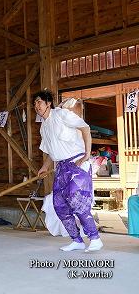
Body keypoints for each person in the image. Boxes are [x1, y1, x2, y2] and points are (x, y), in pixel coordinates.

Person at [34, 90, 103, 252]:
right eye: (35, 103)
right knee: (59, 204)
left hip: (77, 162)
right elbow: (51, 152)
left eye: (39, 102)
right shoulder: (44, 127)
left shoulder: (62, 115)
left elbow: (85, 128)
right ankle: (77, 240)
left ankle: (94, 238)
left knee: (76, 199)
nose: (36, 106)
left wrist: (87, 154)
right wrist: (45, 167)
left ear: (48, 103)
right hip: (61, 166)